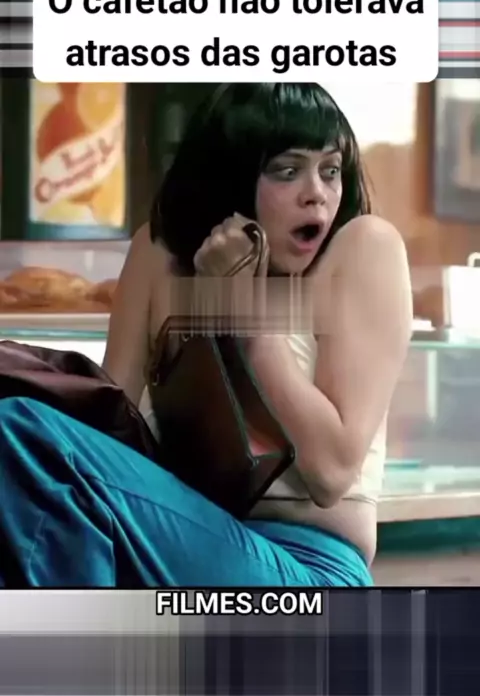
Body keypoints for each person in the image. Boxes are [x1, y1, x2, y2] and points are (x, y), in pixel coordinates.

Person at [0, 82, 412, 587]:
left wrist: (245, 315)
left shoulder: (364, 247)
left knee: (17, 427)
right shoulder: (158, 253)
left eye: (330, 170)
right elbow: (110, 435)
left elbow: (331, 473)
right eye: (287, 171)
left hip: (309, 567)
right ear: (231, 178)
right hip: (170, 539)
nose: (317, 193)